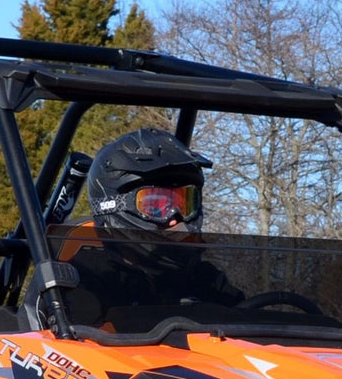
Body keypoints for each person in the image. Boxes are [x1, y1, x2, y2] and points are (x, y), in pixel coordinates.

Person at [58, 128, 243, 328]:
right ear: (113, 204)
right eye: (155, 205)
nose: (175, 217)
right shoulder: (86, 278)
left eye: (185, 204)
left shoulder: (202, 277)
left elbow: (248, 324)